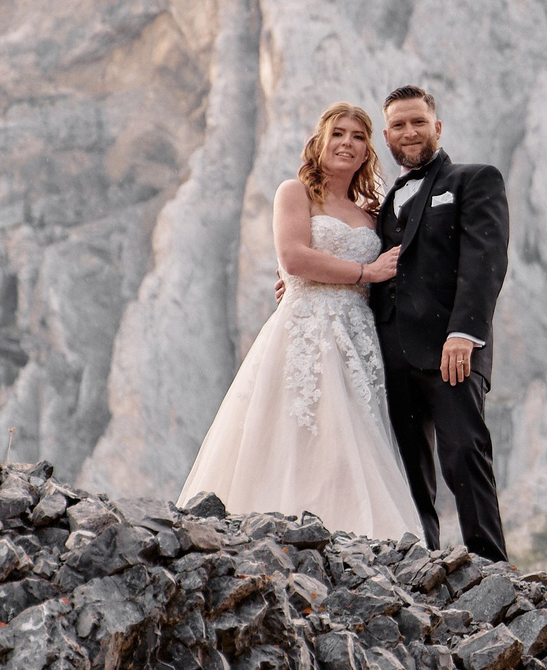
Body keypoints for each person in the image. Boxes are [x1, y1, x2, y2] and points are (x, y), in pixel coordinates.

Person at [176, 102, 424, 540]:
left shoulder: (372, 213)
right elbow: (293, 257)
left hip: (358, 335)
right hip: (306, 329)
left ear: (368, 151)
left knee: (353, 441)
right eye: (339, 134)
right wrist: (362, 272)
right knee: (300, 429)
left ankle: (356, 540)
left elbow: (391, 271)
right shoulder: (295, 193)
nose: (348, 143)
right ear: (320, 142)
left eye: (359, 136)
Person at [368, 85, 512, 560]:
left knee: (465, 455)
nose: (409, 132)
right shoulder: (382, 202)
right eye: (399, 125)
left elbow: (484, 261)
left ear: (437, 127)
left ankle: (493, 571)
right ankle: (423, 567)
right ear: (386, 136)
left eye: (418, 122)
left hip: (451, 350)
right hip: (388, 353)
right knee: (407, 469)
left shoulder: (475, 179)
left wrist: (463, 334)